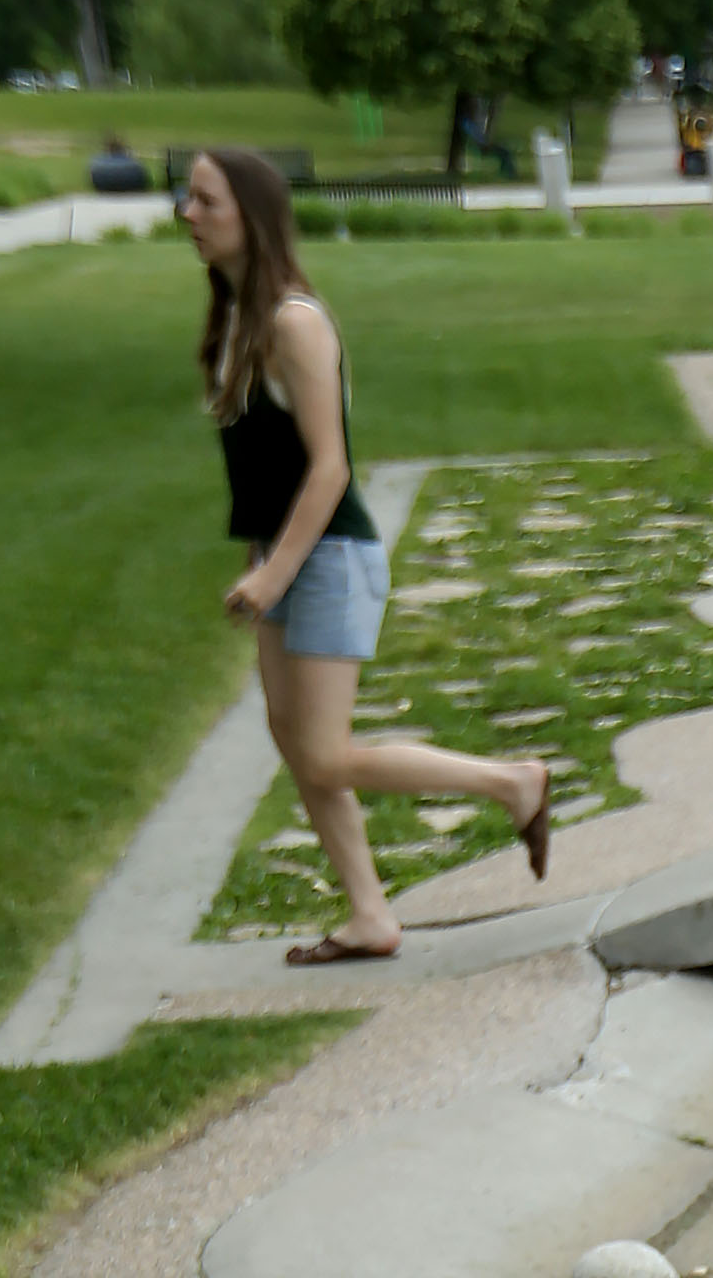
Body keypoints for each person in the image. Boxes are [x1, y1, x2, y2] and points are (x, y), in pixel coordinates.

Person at [176, 144, 552, 966]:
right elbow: (261, 474)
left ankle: (512, 783)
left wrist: (274, 573)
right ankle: (369, 916)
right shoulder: (239, 320)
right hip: (282, 555)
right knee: (296, 741)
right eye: (188, 199)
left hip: (328, 556)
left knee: (323, 751)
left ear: (253, 214)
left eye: (206, 201)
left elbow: (331, 467)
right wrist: (260, 561)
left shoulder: (293, 322)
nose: (187, 215)